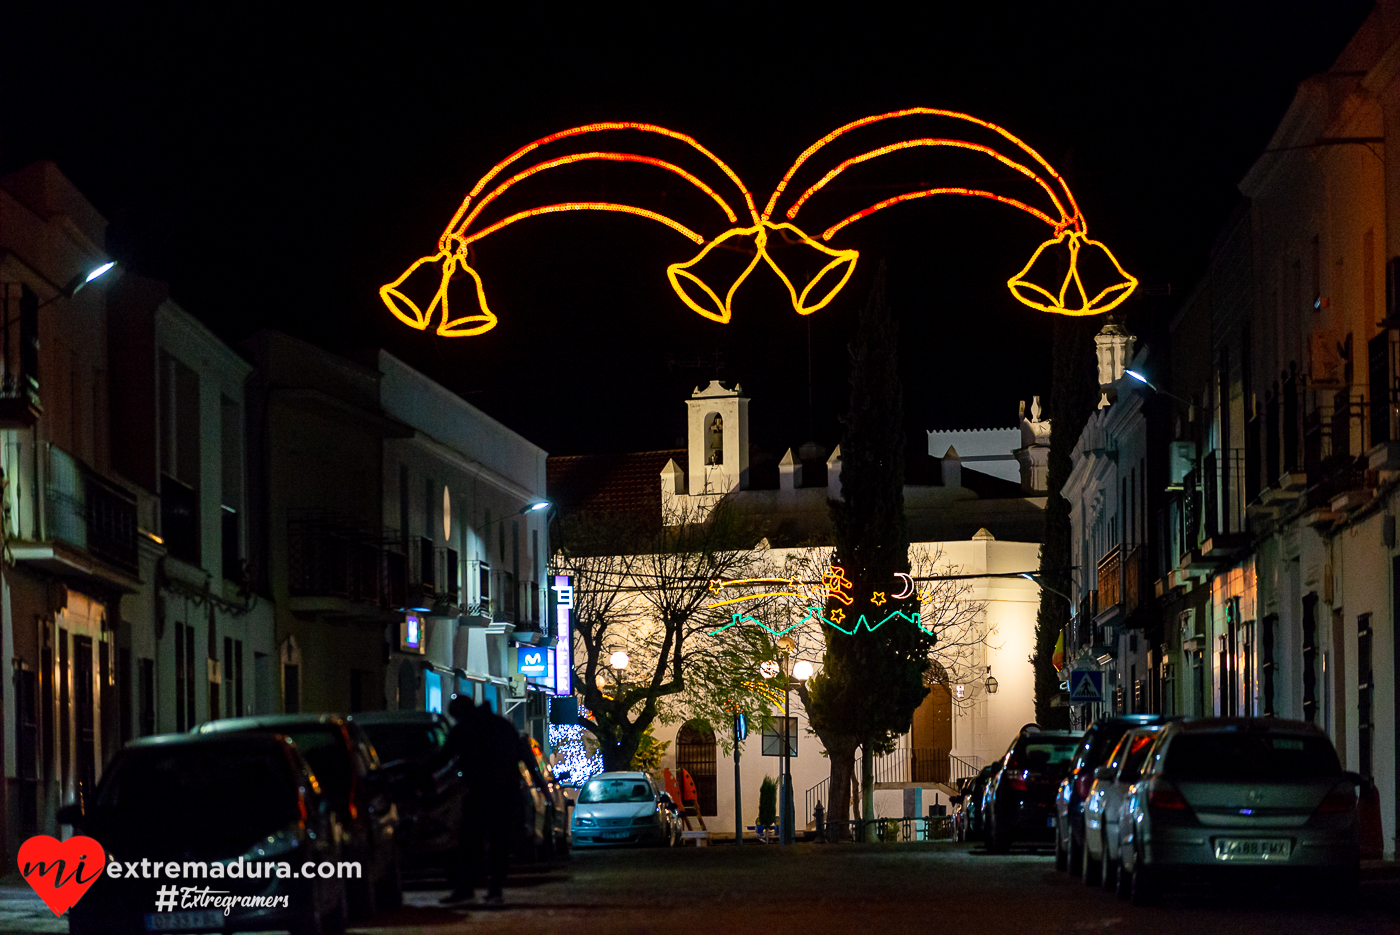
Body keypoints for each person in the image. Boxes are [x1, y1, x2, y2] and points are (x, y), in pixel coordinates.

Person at [441, 695, 524, 906]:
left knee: (470, 842)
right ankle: (494, 889)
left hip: (479, 793)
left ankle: (467, 888)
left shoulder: (464, 729)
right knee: (498, 842)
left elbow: (444, 757)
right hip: (505, 792)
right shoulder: (501, 725)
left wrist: (420, 771)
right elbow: (520, 755)